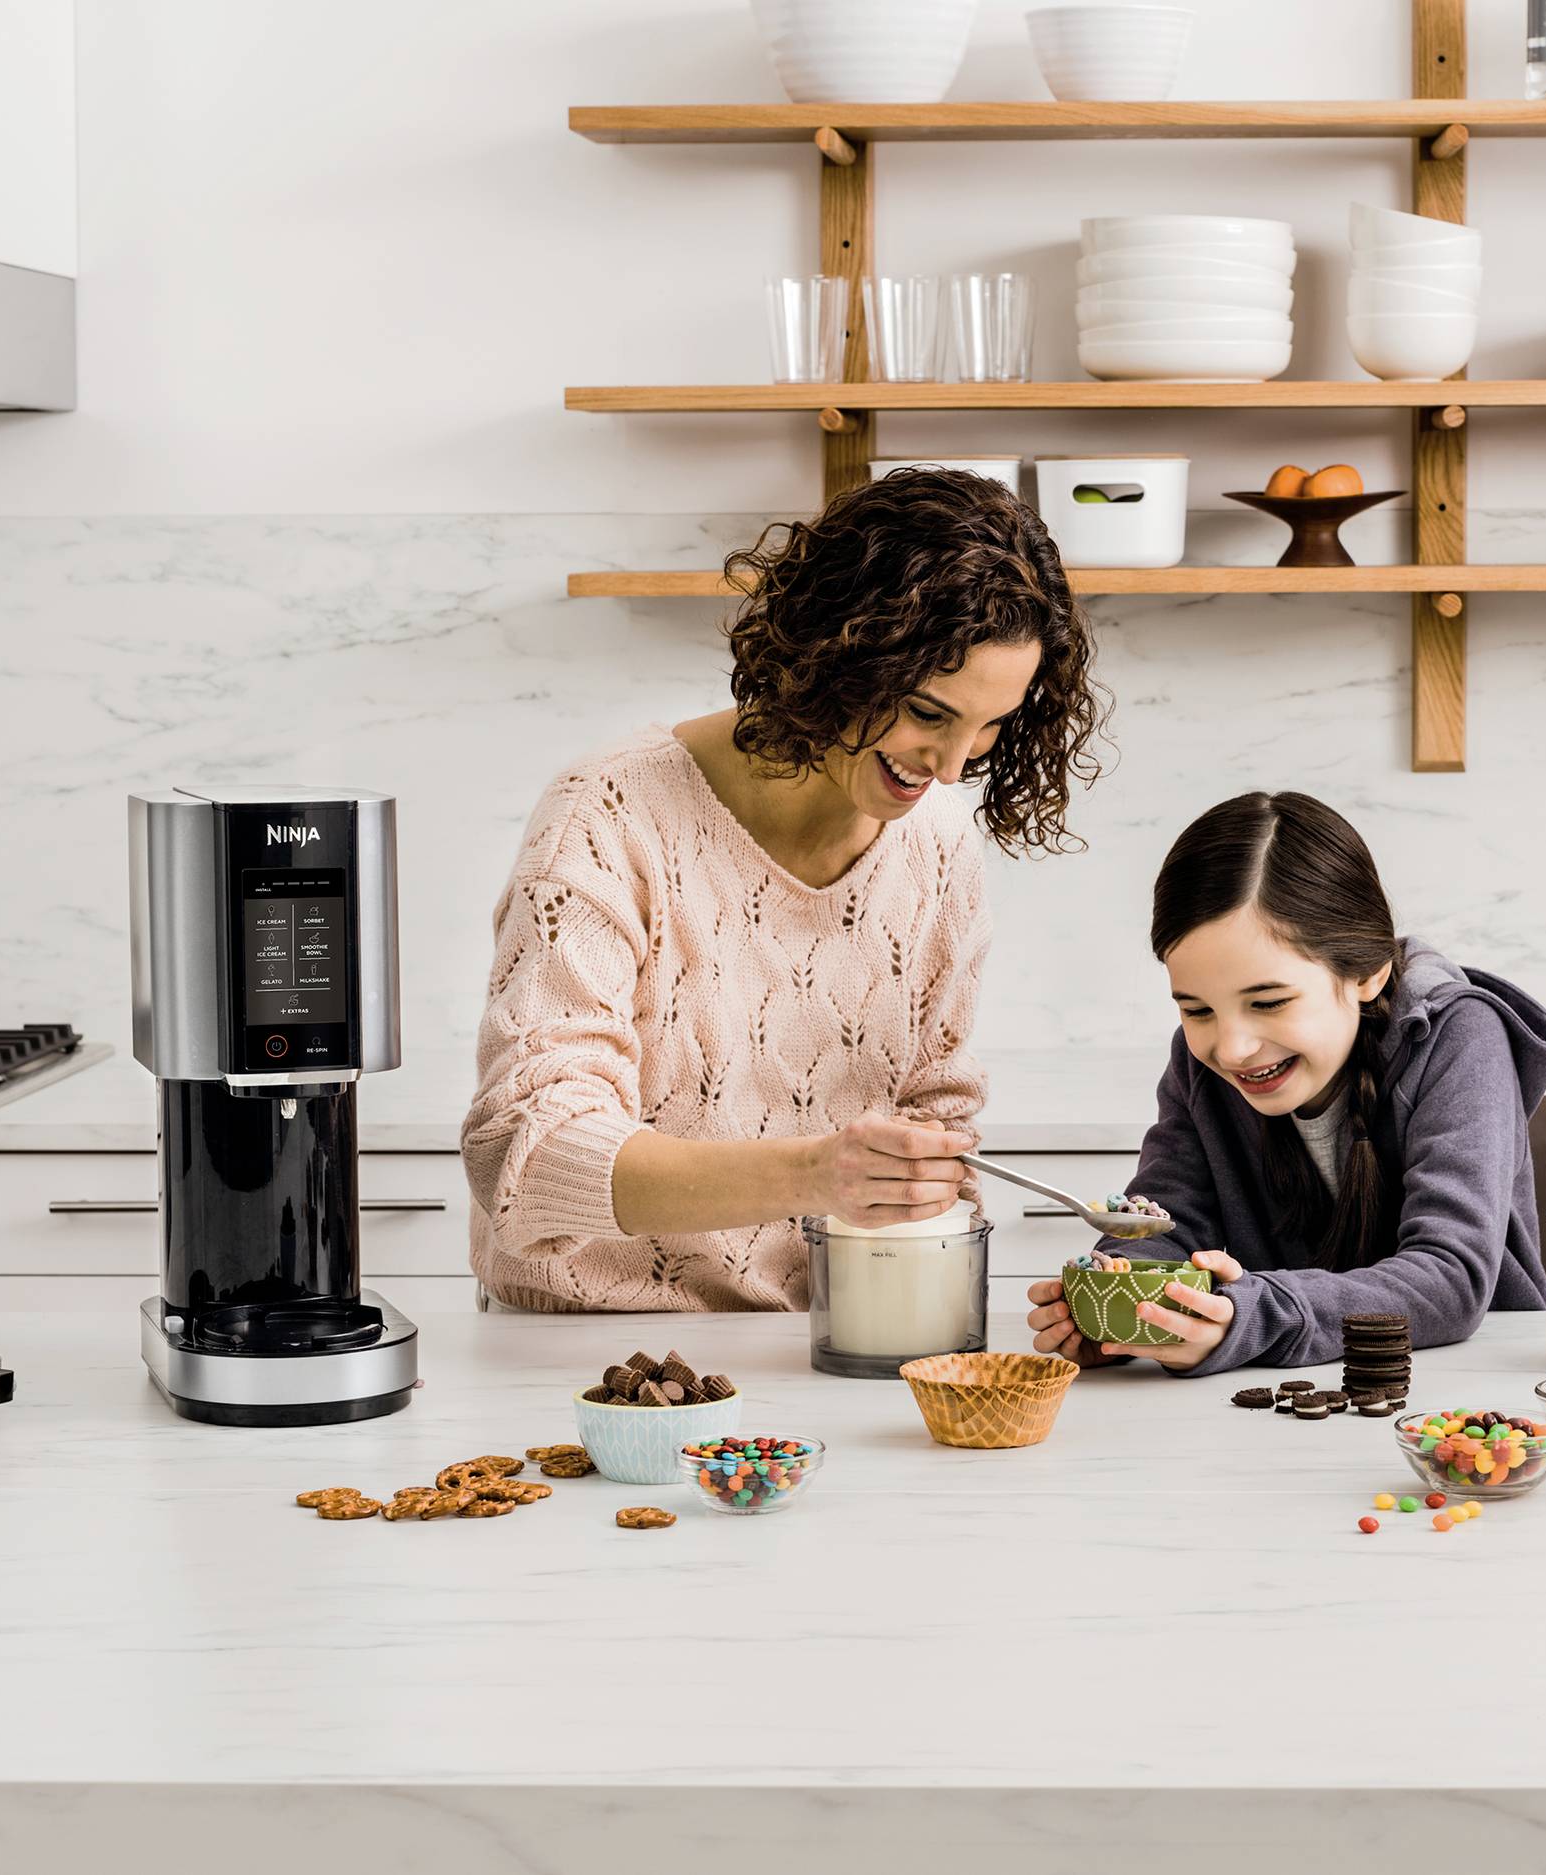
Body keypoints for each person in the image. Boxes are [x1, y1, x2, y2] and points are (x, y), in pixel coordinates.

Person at [465, 470, 1103, 1310]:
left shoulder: (939, 844)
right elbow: (526, 1151)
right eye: (928, 711)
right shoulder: (610, 815)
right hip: (582, 1357)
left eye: (991, 724)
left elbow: (934, 1117)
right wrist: (815, 1173)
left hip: (815, 1344)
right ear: (841, 648)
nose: (952, 766)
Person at [1024, 790, 1546, 1375]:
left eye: (1269, 1001)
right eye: (1197, 1010)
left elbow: (1450, 1278)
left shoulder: (1459, 1034)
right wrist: (1122, 1311)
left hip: (1473, 1392)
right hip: (1278, 1408)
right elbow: (1164, 1223)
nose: (1230, 1048)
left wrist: (1256, 1318)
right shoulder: (1198, 1062)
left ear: (1367, 972)